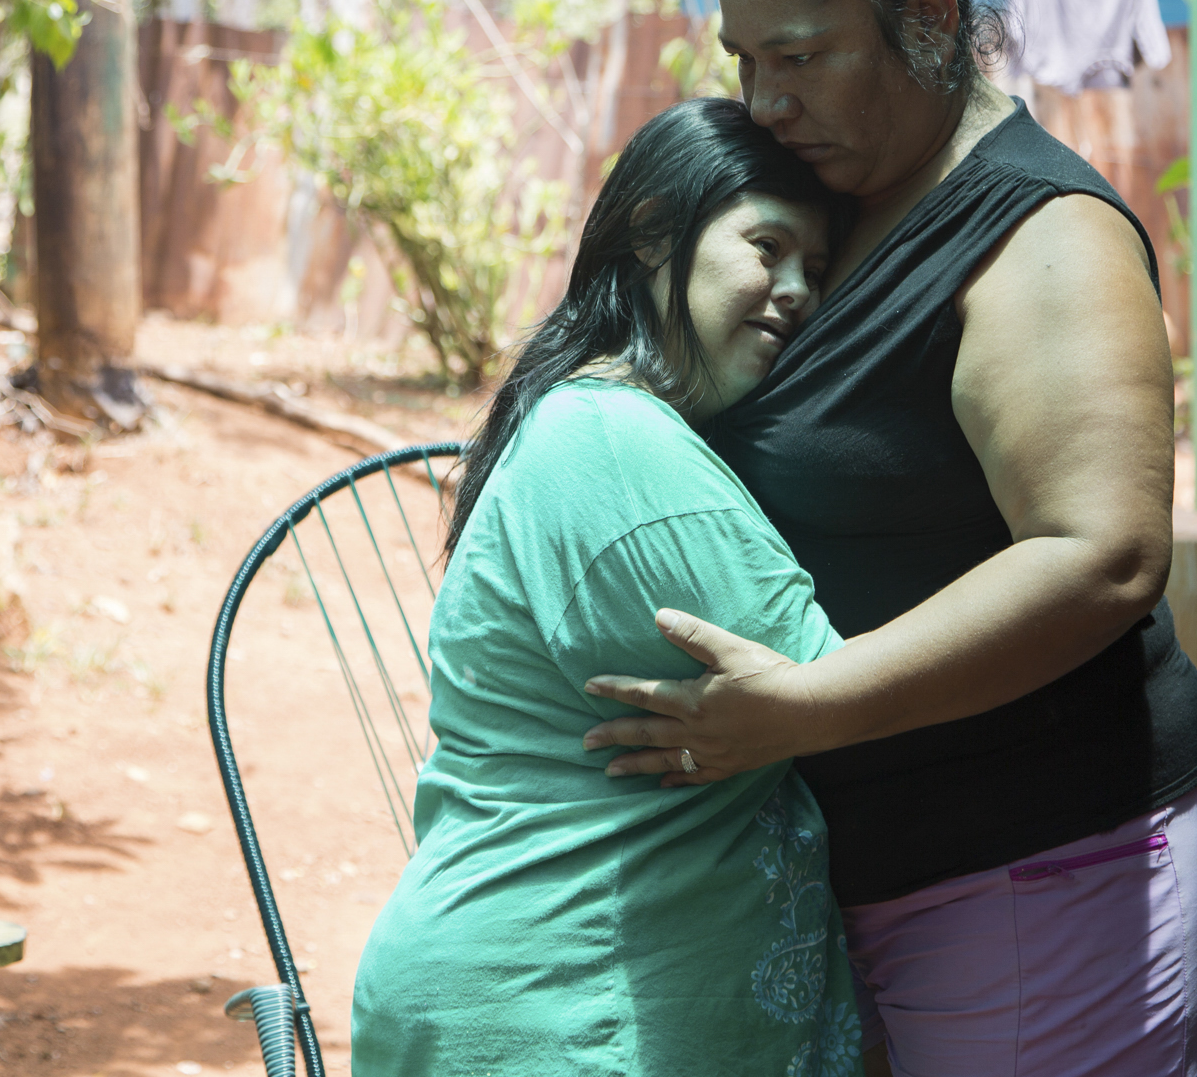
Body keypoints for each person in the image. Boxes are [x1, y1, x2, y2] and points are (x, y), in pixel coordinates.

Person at [580, 0, 1197, 1077]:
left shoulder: (1042, 239)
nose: (765, 99)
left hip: (1055, 867)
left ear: (933, 17)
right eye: (743, 58)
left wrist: (807, 705)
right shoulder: (829, 199)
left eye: (803, 55)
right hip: (911, 881)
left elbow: (1102, 556)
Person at [350, 98, 865, 1077]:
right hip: (564, 1009)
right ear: (655, 231)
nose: (799, 288)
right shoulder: (622, 448)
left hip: (551, 990)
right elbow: (840, 689)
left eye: (819, 268)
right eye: (768, 245)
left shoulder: (587, 420)